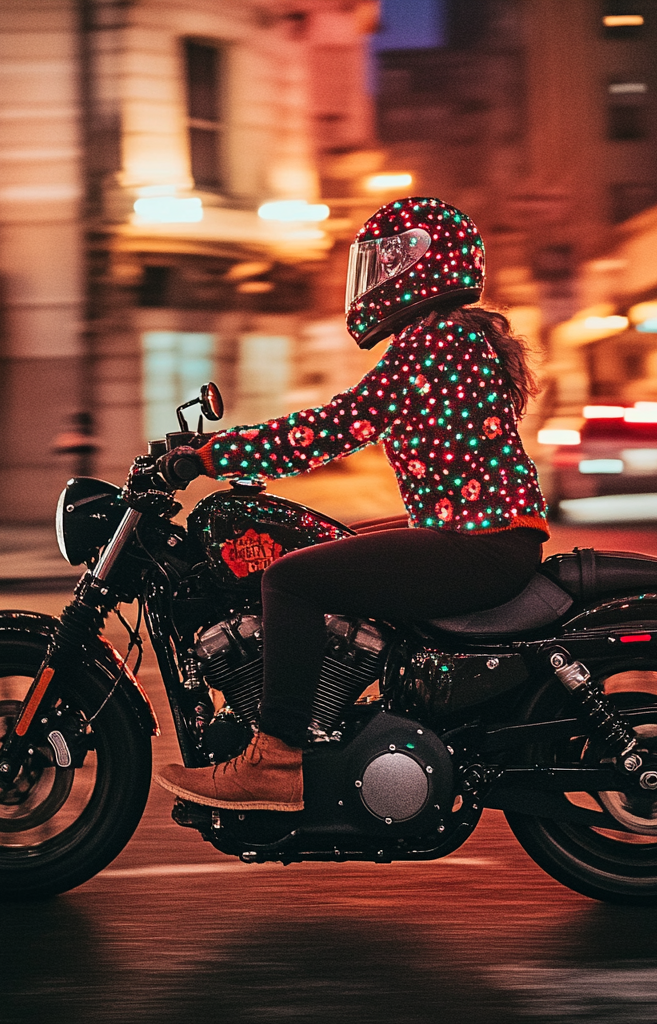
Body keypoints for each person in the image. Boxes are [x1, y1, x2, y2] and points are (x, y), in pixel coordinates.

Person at [155, 197, 549, 812]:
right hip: (483, 537)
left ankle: (275, 759)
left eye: (383, 264)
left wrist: (210, 457)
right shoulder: (454, 338)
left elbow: (335, 426)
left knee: (289, 579)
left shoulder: (434, 342)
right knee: (333, 545)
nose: (373, 280)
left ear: (420, 262)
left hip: (480, 545)